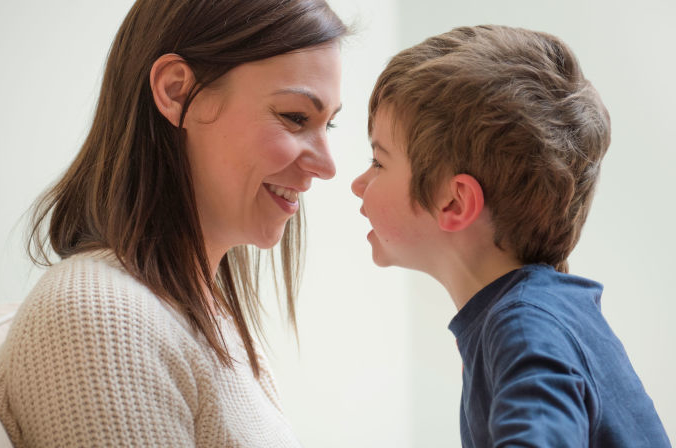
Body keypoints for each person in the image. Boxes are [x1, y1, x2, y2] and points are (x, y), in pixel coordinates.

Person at [0, 0, 346, 446]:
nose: (328, 166)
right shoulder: (103, 316)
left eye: (328, 126)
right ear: (177, 91)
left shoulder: (210, 324)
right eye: (295, 117)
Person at [352, 25, 670, 446]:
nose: (358, 183)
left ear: (454, 202)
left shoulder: (523, 325)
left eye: (378, 162)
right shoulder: (534, 315)